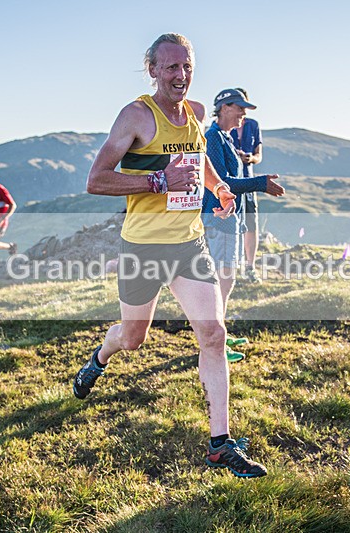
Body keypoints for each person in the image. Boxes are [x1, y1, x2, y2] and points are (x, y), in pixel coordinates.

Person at [73, 33, 267, 478]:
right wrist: (159, 182)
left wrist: (218, 186)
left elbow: (196, 159)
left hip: (188, 243)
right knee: (132, 338)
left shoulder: (196, 114)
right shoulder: (136, 116)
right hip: (144, 247)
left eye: (187, 67)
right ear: (154, 71)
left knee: (214, 334)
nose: (180, 76)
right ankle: (100, 358)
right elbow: (97, 179)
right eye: (171, 68)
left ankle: (220, 444)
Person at [203, 88, 285, 362]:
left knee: (226, 279)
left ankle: (220, 334)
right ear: (224, 107)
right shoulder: (213, 138)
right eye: (239, 108)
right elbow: (222, 183)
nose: (243, 115)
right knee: (222, 281)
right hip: (219, 218)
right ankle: (215, 343)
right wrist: (260, 183)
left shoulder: (224, 138)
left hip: (228, 218)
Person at [230, 88, 264, 283]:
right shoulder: (224, 126)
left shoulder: (253, 125)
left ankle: (250, 267)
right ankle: (232, 268)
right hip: (231, 182)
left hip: (249, 181)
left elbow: (259, 155)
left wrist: (251, 158)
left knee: (251, 224)